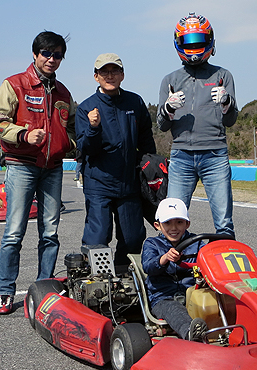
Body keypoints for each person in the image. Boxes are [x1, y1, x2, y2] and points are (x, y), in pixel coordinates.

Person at [0, 31, 76, 315]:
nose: (52, 59)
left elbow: (73, 129)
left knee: (50, 233)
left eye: (58, 55)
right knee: (14, 232)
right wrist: (24, 134)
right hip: (21, 165)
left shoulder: (63, 93)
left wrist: (67, 143)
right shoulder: (14, 84)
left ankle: (44, 289)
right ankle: (4, 290)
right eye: (46, 54)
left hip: (53, 168)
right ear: (35, 54)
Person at [157, 12, 238, 239]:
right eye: (188, 43)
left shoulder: (223, 75)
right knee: (171, 221)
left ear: (210, 41)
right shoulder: (170, 80)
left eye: (199, 42)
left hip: (215, 155)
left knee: (223, 222)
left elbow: (231, 121)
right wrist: (168, 108)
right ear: (178, 43)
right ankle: (173, 268)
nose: (193, 48)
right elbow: (161, 125)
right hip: (181, 156)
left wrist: (227, 103)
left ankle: (227, 269)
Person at [75, 53, 156, 266]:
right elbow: (84, 148)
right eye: (104, 72)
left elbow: (146, 139)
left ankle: (123, 276)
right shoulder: (86, 108)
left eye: (114, 71)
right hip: (98, 183)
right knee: (98, 238)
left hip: (129, 183)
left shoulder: (135, 102)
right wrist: (93, 128)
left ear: (122, 74)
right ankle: (96, 283)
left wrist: (150, 167)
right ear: (96, 76)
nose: (109, 76)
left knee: (133, 238)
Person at [142, 197, 208, 341]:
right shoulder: (152, 244)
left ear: (187, 224)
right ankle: (192, 334)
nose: (173, 228)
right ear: (157, 225)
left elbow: (208, 260)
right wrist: (164, 258)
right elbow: (148, 266)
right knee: (175, 310)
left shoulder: (196, 243)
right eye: (167, 223)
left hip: (193, 293)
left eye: (179, 222)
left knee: (218, 299)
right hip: (164, 297)